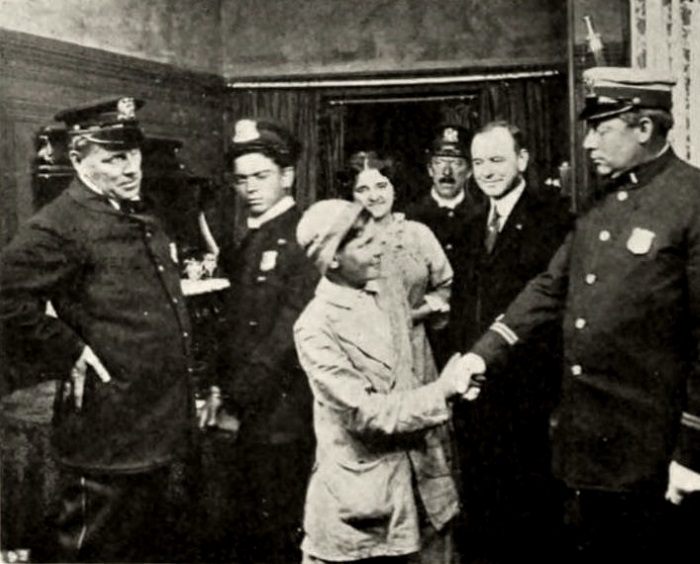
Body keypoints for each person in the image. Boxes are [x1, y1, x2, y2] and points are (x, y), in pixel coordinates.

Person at [460, 67, 700, 561]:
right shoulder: (600, 201)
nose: (588, 143)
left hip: (656, 451)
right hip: (589, 447)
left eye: (600, 129)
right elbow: (552, 286)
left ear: (644, 127)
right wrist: (481, 355)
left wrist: (692, 452)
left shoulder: (690, 200)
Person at [0, 97, 196, 563]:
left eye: (134, 154)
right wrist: (68, 349)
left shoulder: (137, 211)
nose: (132, 168)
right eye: (114, 158)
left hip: (158, 427)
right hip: (109, 435)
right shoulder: (59, 224)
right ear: (77, 158)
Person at [293, 199, 471, 564]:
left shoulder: (386, 286)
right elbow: (366, 414)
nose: (380, 249)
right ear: (332, 259)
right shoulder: (314, 326)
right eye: (365, 244)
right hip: (361, 513)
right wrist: (442, 392)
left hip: (426, 489)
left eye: (378, 237)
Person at [453, 121, 572, 563]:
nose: (486, 171)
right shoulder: (469, 225)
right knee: (483, 511)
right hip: (475, 393)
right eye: (478, 162)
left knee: (531, 515)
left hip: (529, 393)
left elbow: (553, 310)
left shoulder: (554, 219)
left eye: (497, 160)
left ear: (522, 160)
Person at [205, 118, 318, 564]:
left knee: (276, 532)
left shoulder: (303, 236)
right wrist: (219, 388)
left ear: (287, 176)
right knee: (245, 528)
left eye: (261, 176)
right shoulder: (248, 240)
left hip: (282, 415)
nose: (250, 188)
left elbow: (288, 333)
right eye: (241, 179)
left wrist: (235, 399)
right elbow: (231, 328)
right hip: (249, 413)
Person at [342, 150, 453, 394]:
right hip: (363, 357)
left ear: (394, 189)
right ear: (351, 196)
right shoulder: (343, 243)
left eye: (381, 186)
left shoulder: (418, 235)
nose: (374, 196)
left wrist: (414, 315)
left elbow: (446, 288)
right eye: (363, 190)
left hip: (415, 351)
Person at [405, 124, 486, 367]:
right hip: (422, 332)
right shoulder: (410, 217)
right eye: (440, 162)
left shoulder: (483, 216)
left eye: (457, 163)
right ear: (430, 169)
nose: (447, 171)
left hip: (470, 332)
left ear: (469, 171)